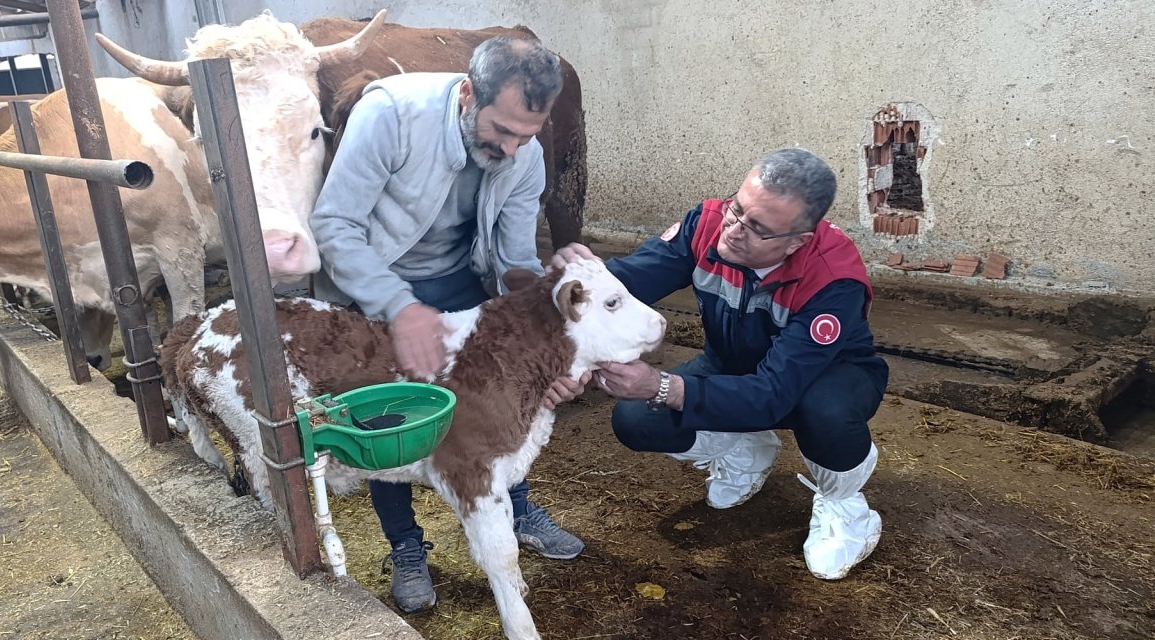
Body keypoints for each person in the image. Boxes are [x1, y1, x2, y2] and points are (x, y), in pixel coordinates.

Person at [309, 36, 585, 613]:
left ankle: (515, 503)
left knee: (502, 395)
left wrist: (541, 299)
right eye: (501, 131)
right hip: (373, 280)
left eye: (526, 136)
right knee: (387, 412)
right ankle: (407, 546)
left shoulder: (524, 155)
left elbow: (512, 260)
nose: (511, 149)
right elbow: (334, 226)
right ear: (467, 94)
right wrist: (398, 306)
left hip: (464, 278)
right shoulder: (390, 115)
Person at [549, 148, 889, 580]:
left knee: (827, 414)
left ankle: (844, 504)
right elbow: (628, 280)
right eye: (737, 208)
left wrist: (661, 385)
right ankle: (747, 448)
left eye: (758, 228)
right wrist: (574, 283)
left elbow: (772, 393)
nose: (734, 230)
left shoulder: (832, 280)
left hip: (823, 379)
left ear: (798, 241)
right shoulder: (707, 224)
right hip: (731, 363)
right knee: (637, 420)